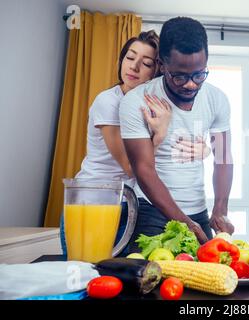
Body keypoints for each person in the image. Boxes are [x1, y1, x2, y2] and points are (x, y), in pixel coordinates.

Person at [59, 30, 210, 255]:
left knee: (122, 278)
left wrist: (204, 150)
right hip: (94, 203)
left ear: (159, 69)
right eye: (130, 58)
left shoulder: (159, 104)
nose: (134, 67)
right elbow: (131, 166)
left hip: (131, 205)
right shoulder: (109, 102)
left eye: (146, 63)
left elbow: (178, 149)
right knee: (87, 273)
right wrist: (158, 135)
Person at [119, 17, 235, 250]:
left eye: (199, 75)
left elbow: (222, 157)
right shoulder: (135, 101)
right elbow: (144, 169)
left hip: (198, 212)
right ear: (162, 65)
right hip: (151, 212)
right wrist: (183, 222)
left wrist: (220, 209)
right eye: (180, 76)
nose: (191, 84)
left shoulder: (217, 99)